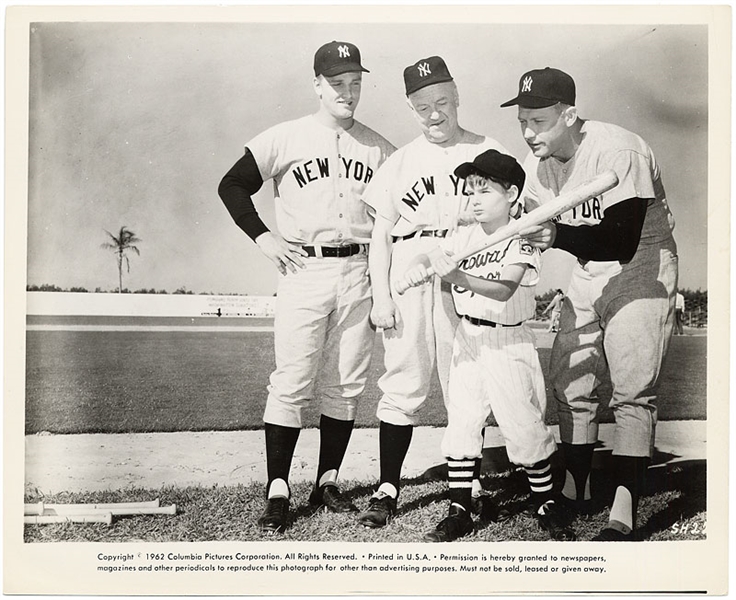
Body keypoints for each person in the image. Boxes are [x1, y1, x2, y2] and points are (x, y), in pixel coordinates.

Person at [217, 41, 395, 534]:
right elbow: (231, 184)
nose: (348, 91)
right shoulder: (286, 137)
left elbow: (399, 218)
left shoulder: (380, 148)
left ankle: (328, 480)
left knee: (346, 381)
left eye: (355, 81)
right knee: (293, 380)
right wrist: (263, 236)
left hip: (359, 272)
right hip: (304, 270)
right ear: (317, 84)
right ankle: (278, 488)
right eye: (337, 82)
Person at [501, 67, 678, 541]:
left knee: (631, 388)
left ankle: (624, 507)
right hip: (587, 268)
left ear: (570, 115)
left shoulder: (618, 148)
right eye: (523, 120)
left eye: (538, 121)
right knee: (569, 379)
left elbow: (621, 238)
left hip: (641, 265)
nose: (528, 131)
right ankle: (575, 490)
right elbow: (527, 231)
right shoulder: (537, 167)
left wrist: (555, 233)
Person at [358, 56, 510, 529]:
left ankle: (471, 487)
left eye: (442, 102)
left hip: (465, 264)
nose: (434, 114)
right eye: (422, 106)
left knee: (463, 379)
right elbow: (379, 235)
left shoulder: (490, 149)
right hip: (410, 265)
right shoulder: (401, 160)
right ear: (411, 107)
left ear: (457, 96)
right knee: (403, 379)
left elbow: (512, 216)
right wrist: (381, 297)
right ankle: (387, 487)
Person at [403, 149, 576, 542]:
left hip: (507, 339)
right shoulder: (464, 234)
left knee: (523, 425)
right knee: (463, 420)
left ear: (512, 194)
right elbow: (434, 254)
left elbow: (503, 289)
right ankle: (460, 506)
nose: (474, 199)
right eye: (470, 191)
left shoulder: (524, 236)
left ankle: (546, 503)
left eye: (484, 190)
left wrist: (458, 276)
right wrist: (422, 262)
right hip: (470, 337)